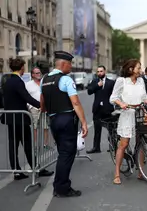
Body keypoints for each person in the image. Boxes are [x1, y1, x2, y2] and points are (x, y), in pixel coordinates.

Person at [40, 51, 88, 198]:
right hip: (66, 119)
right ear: (63, 64)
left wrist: (48, 112)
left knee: (63, 153)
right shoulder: (65, 80)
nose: (71, 66)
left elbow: (42, 103)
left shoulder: (45, 79)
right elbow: (75, 102)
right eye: (70, 63)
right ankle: (62, 188)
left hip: (53, 120)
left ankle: (59, 185)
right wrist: (84, 123)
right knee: (67, 154)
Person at [0, 58, 53, 180]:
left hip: (10, 118)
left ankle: (17, 171)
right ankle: (37, 168)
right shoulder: (18, 82)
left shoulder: (7, 82)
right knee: (28, 144)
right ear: (22, 68)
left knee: (13, 146)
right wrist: (42, 106)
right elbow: (27, 97)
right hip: (20, 119)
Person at [109, 59, 147, 185]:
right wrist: (122, 104)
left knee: (141, 143)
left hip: (139, 113)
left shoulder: (141, 81)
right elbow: (113, 98)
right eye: (138, 68)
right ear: (131, 69)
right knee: (124, 144)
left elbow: (145, 98)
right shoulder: (121, 81)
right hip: (127, 114)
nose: (141, 70)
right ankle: (116, 173)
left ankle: (141, 171)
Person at [86, 65, 115, 154]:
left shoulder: (111, 82)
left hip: (108, 109)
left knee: (111, 129)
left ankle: (112, 146)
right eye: (98, 71)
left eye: (101, 71)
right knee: (97, 129)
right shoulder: (94, 81)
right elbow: (89, 91)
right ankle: (96, 147)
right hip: (97, 109)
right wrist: (97, 86)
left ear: (105, 71)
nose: (99, 73)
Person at [25, 67, 49, 148]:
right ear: (32, 75)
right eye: (37, 73)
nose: (39, 74)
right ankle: (35, 145)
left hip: (44, 109)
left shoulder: (44, 82)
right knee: (35, 127)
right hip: (34, 109)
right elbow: (25, 96)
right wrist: (30, 107)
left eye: (39, 72)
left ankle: (45, 144)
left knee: (46, 126)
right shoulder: (28, 84)